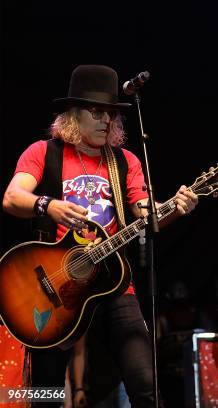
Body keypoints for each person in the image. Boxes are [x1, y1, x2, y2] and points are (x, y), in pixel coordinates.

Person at [2, 65, 199, 407]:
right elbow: (12, 198)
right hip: (54, 287)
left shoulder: (125, 161)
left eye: (110, 113)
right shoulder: (43, 153)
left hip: (113, 282)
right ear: (73, 114)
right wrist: (49, 206)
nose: (106, 120)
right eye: (96, 112)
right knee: (45, 392)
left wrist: (174, 208)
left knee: (145, 384)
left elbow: (144, 215)